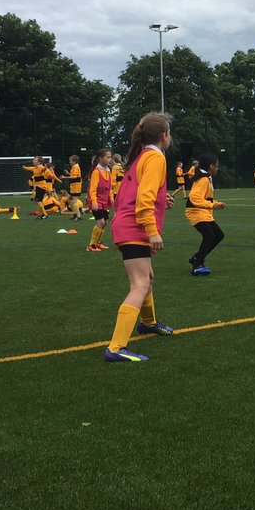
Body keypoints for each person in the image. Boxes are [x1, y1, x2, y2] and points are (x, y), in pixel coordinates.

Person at [105, 112, 174, 362]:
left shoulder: (141, 157)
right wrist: (152, 230)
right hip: (134, 227)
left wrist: (161, 199)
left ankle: (148, 323)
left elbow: (127, 196)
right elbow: (143, 199)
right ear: (164, 136)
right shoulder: (155, 157)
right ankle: (116, 348)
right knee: (140, 285)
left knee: (148, 278)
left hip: (127, 225)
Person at [187, 152, 226, 276]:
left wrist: (215, 203)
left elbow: (205, 198)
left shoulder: (206, 177)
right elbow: (194, 197)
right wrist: (212, 205)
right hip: (195, 211)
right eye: (217, 166)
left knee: (218, 235)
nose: (218, 168)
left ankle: (197, 258)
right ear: (211, 166)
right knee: (209, 236)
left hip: (202, 211)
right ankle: (197, 266)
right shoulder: (204, 179)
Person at [86, 148, 114, 252]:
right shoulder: (96, 172)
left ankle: (98, 243)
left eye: (110, 157)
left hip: (104, 201)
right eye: (108, 157)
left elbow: (110, 188)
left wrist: (111, 199)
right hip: (97, 201)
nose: (110, 159)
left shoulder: (108, 170)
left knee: (105, 222)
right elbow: (92, 189)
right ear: (100, 158)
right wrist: (94, 202)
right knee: (100, 222)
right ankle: (91, 246)